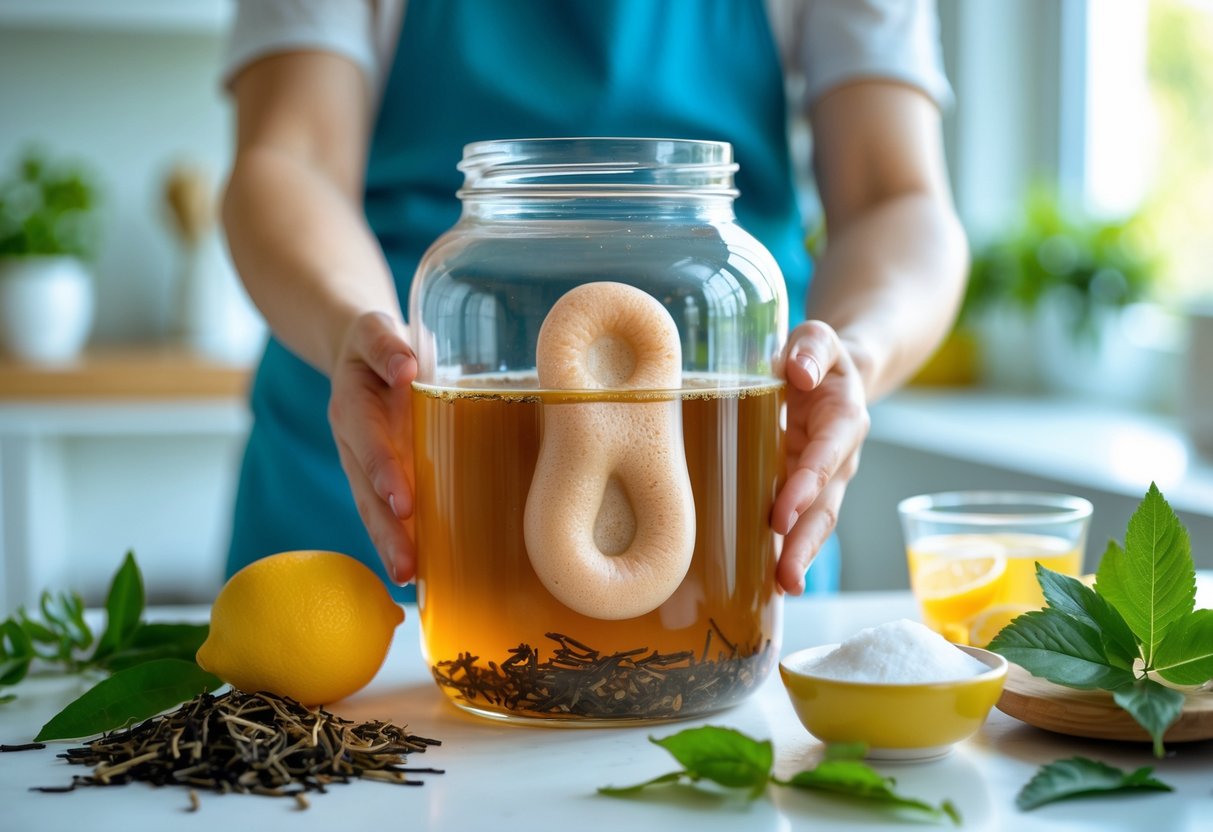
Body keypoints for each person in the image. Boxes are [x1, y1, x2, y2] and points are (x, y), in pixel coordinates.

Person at [220, 0, 968, 600]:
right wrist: (356, 325)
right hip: (394, 430)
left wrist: (853, 354)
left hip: (733, 473)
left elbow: (892, 197)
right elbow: (292, 159)